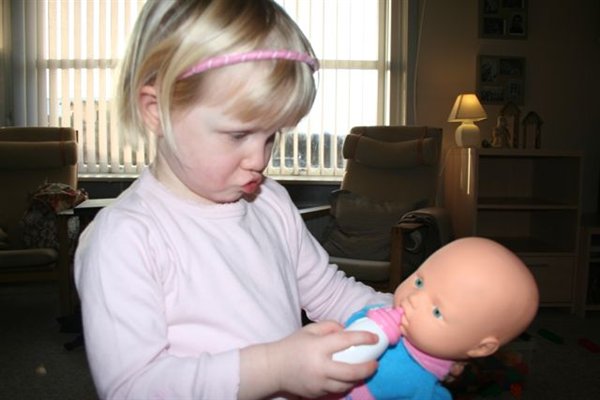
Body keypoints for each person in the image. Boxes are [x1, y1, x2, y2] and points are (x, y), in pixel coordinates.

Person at [73, 1, 393, 399]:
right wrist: (274, 368)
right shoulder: (124, 238)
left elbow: (329, 292)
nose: (259, 159)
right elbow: (133, 388)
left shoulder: (270, 201)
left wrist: (402, 317)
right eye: (239, 135)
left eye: (272, 135)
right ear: (157, 111)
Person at [336, 237, 539, 399]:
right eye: (419, 282)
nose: (413, 299)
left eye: (437, 312)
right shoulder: (377, 314)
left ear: (480, 348)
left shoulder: (424, 387)